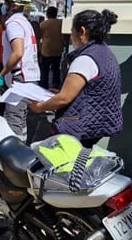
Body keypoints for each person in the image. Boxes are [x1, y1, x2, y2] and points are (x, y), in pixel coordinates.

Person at [29, 9, 122, 148]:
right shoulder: (104, 51)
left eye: (72, 32)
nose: (71, 37)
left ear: (82, 32)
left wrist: (40, 107)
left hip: (81, 125)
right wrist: (59, 93)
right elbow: (90, 89)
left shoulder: (85, 59)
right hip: (97, 123)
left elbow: (64, 98)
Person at [0, 0, 40, 141]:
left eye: (6, 2)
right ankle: (22, 151)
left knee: (13, 121)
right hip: (27, 77)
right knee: (20, 120)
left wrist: (1, 74)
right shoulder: (24, 22)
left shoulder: (14, 24)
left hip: (20, 78)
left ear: (14, 5)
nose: (4, 5)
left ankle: (14, 160)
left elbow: (18, 53)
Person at [39, 6, 63, 89]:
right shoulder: (61, 23)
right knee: (56, 69)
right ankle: (56, 85)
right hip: (58, 50)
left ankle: (44, 85)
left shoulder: (43, 24)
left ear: (47, 14)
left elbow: (39, 37)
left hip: (46, 51)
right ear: (56, 14)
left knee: (45, 70)